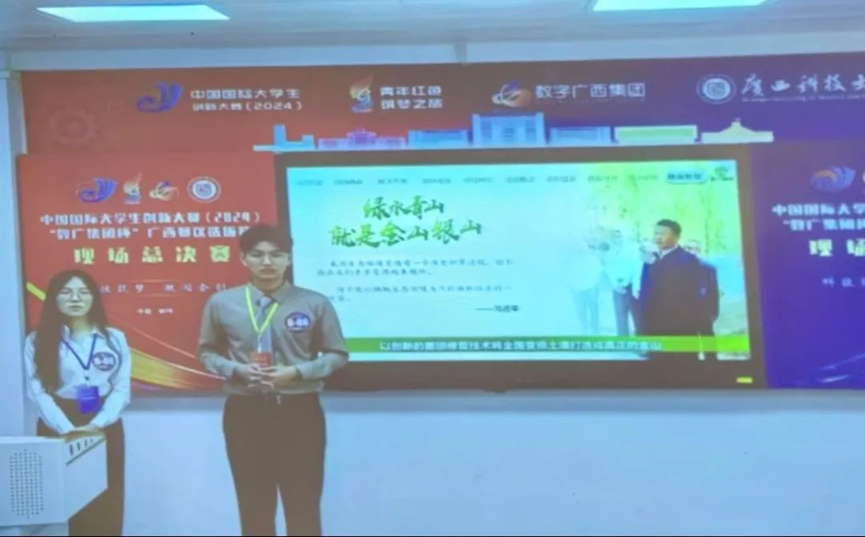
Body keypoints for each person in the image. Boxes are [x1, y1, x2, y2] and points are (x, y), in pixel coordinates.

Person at [198, 224, 349, 537]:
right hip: (245, 411)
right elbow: (206, 352)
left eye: (276, 255)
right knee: (253, 505)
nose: (267, 262)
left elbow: (337, 355)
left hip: (299, 411)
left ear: (288, 259)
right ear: (243, 259)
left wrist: (297, 372)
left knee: (303, 504)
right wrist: (236, 369)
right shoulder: (221, 303)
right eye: (258, 255)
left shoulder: (314, 303)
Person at [23, 270, 131, 536]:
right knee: (65, 500)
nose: (75, 298)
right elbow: (37, 392)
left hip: (103, 423)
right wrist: (67, 429)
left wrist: (97, 424)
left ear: (94, 298)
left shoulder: (114, 338)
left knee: (107, 500)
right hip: (58, 423)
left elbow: (121, 389)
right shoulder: (37, 340)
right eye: (66, 292)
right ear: (53, 298)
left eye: (83, 292)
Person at [638, 220, 703, 360]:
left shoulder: (688, 259)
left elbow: (676, 287)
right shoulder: (652, 258)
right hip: (654, 327)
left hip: (680, 328)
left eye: (663, 234)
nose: (658, 237)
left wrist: (655, 264)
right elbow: (646, 289)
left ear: (677, 236)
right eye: (656, 233)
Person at [683, 239, 720, 361]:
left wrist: (715, 312)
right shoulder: (676, 268)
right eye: (688, 248)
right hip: (684, 313)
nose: (692, 251)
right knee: (689, 346)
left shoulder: (709, 268)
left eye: (695, 249)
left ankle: (712, 366)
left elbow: (713, 291)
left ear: (699, 251)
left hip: (704, 312)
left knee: (708, 342)